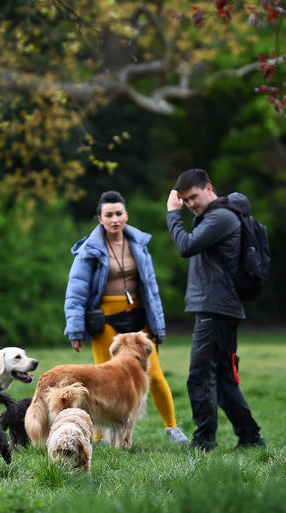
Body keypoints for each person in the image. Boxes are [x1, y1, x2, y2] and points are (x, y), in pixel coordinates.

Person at [64, 190, 190, 445]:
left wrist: (159, 325)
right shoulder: (89, 250)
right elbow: (75, 292)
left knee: (153, 374)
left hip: (138, 320)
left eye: (119, 213)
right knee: (103, 379)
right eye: (108, 215)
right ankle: (99, 436)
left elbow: (152, 288)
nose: (114, 219)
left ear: (126, 215)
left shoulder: (139, 244)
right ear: (100, 218)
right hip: (106, 321)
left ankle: (173, 429)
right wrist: (75, 330)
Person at [166, 168, 265, 451]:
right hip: (219, 306)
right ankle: (250, 436)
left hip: (215, 306)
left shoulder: (221, 218)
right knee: (221, 378)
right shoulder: (211, 217)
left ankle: (204, 441)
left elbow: (186, 247)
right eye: (184, 200)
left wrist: (173, 214)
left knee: (200, 375)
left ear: (209, 188)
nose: (190, 204)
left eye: (193, 197)